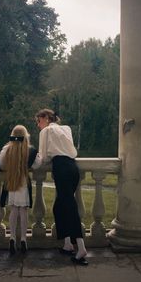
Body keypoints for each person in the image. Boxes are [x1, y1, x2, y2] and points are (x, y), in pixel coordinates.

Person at [35, 108, 88, 265]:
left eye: (38, 121)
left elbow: (43, 158)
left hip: (61, 168)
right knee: (59, 207)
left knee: (69, 207)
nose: (38, 125)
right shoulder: (66, 129)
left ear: (45, 118)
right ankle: (67, 244)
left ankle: (81, 248)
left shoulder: (45, 132)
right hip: (73, 168)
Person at [0, 125, 41, 255]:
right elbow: (38, 164)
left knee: (14, 210)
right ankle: (24, 239)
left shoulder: (7, 149)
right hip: (23, 183)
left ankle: (12, 237)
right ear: (26, 136)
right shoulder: (29, 150)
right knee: (23, 211)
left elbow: (1, 164)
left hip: (12, 182)